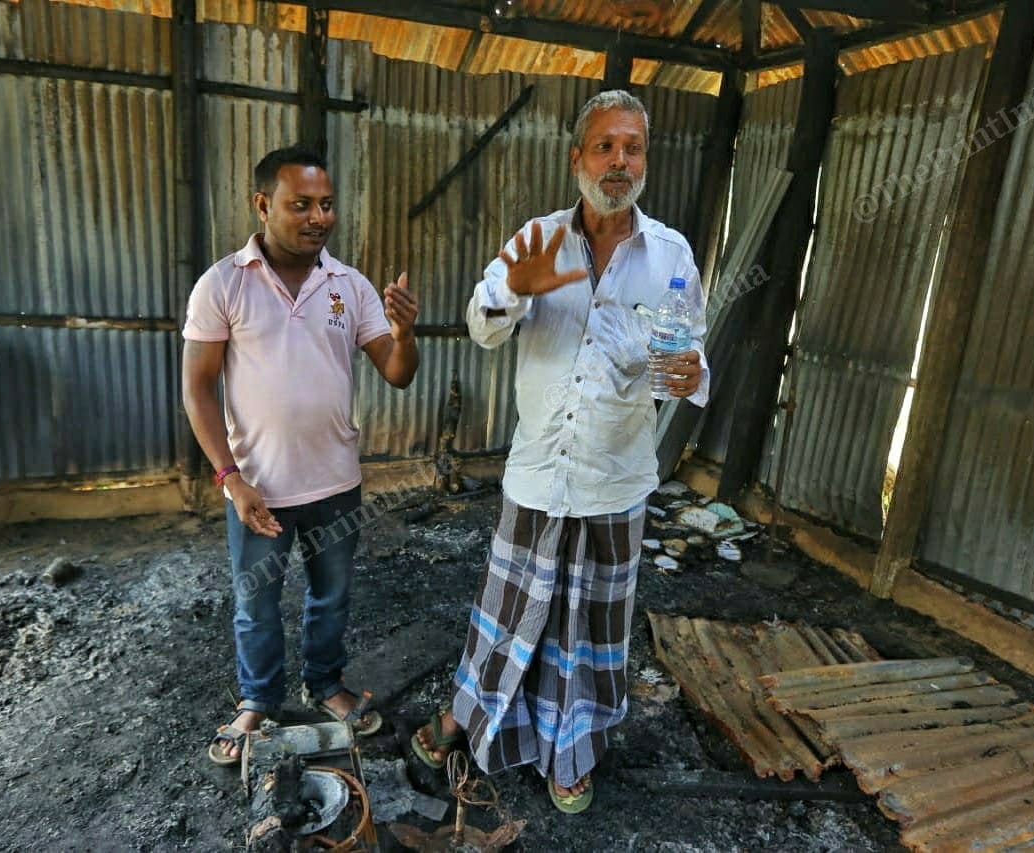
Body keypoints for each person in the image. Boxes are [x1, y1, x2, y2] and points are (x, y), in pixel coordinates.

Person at [410, 90, 709, 813]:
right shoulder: (537, 238)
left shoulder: (669, 255)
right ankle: (463, 716)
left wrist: (693, 373)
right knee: (507, 609)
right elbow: (481, 327)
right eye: (604, 146)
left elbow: (690, 353)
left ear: (644, 159)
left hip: (615, 477)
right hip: (539, 471)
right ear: (577, 158)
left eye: (631, 147)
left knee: (590, 624)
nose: (618, 161)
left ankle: (570, 750)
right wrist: (514, 287)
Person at [183, 145, 419, 766]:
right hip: (258, 488)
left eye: (326, 204)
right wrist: (231, 480)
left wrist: (405, 335)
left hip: (336, 483)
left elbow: (396, 374)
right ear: (263, 205)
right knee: (256, 600)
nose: (318, 217)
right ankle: (258, 700)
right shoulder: (224, 283)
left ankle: (326, 684)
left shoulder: (349, 286)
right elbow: (197, 388)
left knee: (330, 595)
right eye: (301, 205)